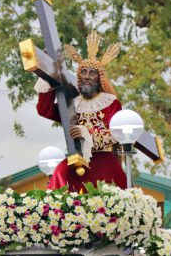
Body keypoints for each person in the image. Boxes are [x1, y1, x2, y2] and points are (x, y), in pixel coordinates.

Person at [35, 31, 127, 192]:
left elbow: (115, 133)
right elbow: (45, 110)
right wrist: (47, 74)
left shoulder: (110, 102)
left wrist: (86, 132)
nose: (86, 76)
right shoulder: (73, 104)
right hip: (77, 160)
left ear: (99, 79)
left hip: (104, 159)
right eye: (83, 72)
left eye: (92, 73)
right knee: (61, 172)